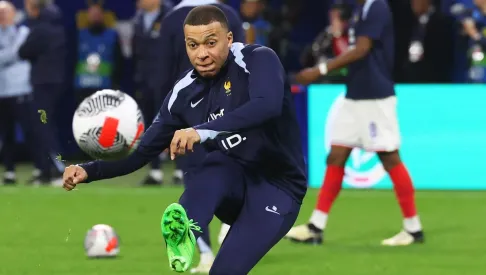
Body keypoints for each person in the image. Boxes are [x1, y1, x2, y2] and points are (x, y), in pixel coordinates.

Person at [62, 5, 306, 274]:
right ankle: (185, 234)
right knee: (215, 165)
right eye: (193, 45)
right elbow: (143, 151)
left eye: (211, 43)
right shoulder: (184, 92)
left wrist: (201, 131)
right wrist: (88, 170)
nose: (202, 54)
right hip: (231, 179)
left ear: (229, 39)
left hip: (277, 186)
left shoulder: (258, 59)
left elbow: (267, 105)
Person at [286, 0, 425, 246]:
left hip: (374, 96)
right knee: (336, 155)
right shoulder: (361, 9)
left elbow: (362, 50)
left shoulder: (377, 6)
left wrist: (319, 70)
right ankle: (316, 226)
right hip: (355, 94)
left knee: (390, 157)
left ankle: (413, 229)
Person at [157, 1, 245, 272]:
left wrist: (162, 122)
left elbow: (162, 72)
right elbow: (242, 63)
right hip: (228, 113)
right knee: (231, 171)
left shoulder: (172, 19)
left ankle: (205, 253)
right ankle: (233, 224)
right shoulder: (228, 15)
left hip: (187, 116)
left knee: (196, 182)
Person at [0, 0, 50, 185]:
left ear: (14, 14)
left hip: (21, 88)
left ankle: (39, 167)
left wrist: (9, 54)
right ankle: (9, 171)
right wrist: (11, 55)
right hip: (2, 91)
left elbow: (18, 52)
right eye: (0, 12)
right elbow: (13, 54)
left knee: (30, 131)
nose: (3, 15)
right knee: (6, 134)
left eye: (6, 11)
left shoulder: (23, 32)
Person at [19, 0, 66, 184]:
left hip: (43, 84)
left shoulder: (40, 29)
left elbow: (23, 51)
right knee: (44, 123)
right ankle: (46, 171)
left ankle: (57, 168)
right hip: (54, 82)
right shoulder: (56, 26)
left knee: (42, 125)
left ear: (36, 9)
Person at [132, 0, 174, 186]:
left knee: (174, 123)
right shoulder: (138, 19)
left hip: (168, 80)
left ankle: (180, 170)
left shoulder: (171, 15)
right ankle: (155, 170)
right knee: (150, 125)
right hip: (145, 80)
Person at [74, 1, 124, 104]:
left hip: (105, 89)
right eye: (92, 14)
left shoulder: (112, 36)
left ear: (102, 16)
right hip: (83, 89)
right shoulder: (79, 36)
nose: (95, 16)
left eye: (97, 14)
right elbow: (72, 60)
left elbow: (119, 61)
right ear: (87, 15)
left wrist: (115, 85)